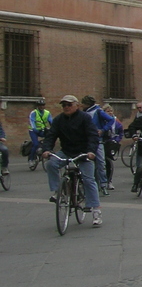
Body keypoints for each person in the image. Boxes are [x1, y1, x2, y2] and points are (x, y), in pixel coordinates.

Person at [42, 95, 101, 225]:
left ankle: (95, 209)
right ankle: (58, 191)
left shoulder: (85, 118)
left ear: (77, 105)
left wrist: (91, 151)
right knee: (51, 163)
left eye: (69, 105)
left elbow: (92, 135)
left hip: (84, 152)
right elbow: (51, 136)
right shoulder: (59, 120)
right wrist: (46, 149)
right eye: (64, 105)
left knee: (88, 179)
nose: (66, 107)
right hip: (66, 151)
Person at [82, 96, 115, 196]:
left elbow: (110, 120)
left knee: (101, 163)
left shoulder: (98, 111)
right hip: (86, 140)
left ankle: (103, 184)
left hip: (97, 140)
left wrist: (103, 130)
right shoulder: (83, 112)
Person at [103, 104, 123, 189]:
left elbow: (120, 132)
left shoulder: (116, 121)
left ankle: (109, 181)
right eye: (108, 111)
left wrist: (116, 140)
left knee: (108, 162)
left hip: (110, 143)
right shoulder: (101, 120)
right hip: (101, 142)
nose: (110, 113)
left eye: (111, 111)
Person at [27, 98, 51, 165]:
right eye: (40, 105)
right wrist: (34, 128)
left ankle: (43, 150)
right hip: (33, 131)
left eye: (43, 105)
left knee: (49, 139)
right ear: (37, 106)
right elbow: (31, 121)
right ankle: (31, 159)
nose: (41, 106)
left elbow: (51, 121)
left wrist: (54, 129)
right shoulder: (34, 112)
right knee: (35, 144)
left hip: (42, 130)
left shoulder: (47, 113)